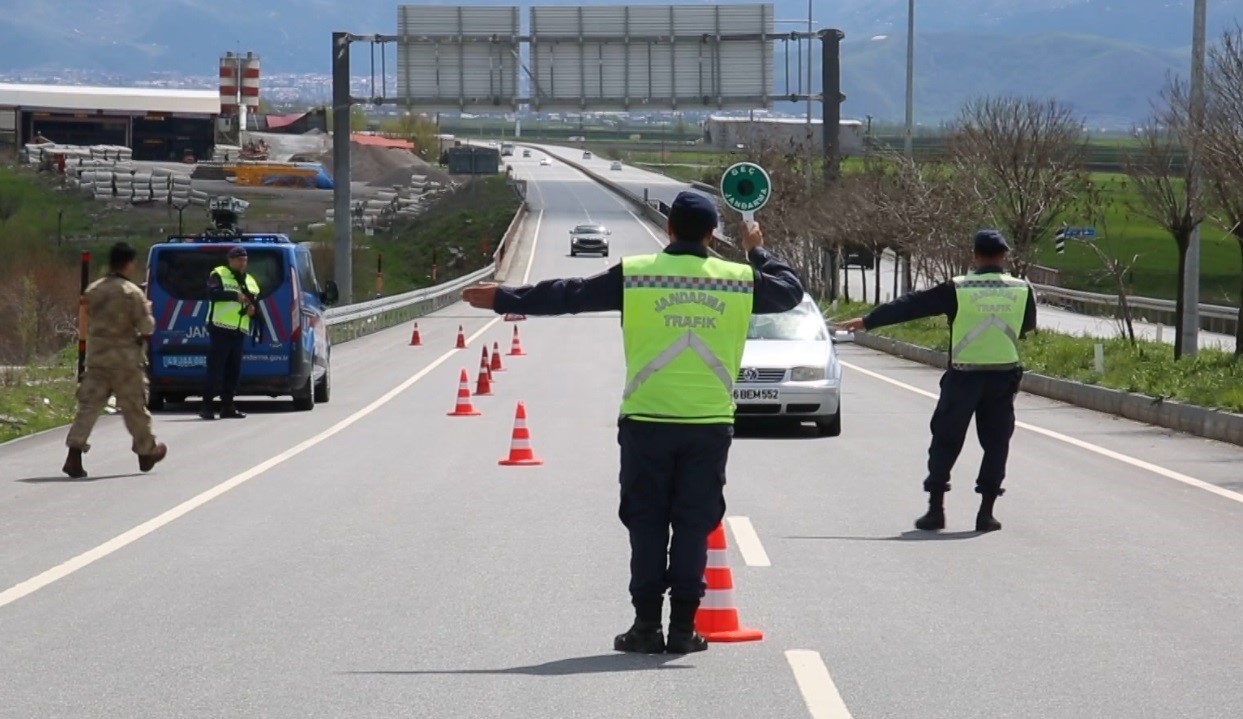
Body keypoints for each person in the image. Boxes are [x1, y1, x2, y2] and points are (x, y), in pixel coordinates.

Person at [462, 191, 804, 654]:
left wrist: (504, 298)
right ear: (709, 235)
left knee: (646, 525)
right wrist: (755, 248)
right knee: (692, 524)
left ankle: (645, 627)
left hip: (646, 422)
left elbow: (570, 294)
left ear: (668, 230)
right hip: (708, 423)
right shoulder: (739, 279)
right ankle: (683, 629)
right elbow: (789, 290)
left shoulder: (639, 274)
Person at [837, 229, 1037, 533]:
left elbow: (912, 305)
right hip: (1003, 376)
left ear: (975, 255)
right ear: (1004, 256)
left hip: (964, 377)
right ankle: (986, 513)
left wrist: (868, 321)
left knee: (945, 440)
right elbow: (1027, 325)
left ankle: (936, 510)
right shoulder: (1022, 289)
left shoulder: (958, 288)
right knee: (996, 444)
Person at [63, 242, 168, 478]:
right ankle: (146, 452)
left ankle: (74, 455)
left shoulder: (93, 290)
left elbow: (88, 318)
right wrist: (147, 312)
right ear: (128, 263)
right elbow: (146, 326)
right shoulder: (132, 293)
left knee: (89, 407)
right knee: (134, 408)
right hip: (126, 360)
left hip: (98, 356)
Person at [200, 246, 260, 420]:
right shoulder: (218, 274)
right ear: (230, 260)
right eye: (239, 259)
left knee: (234, 370)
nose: (242, 263)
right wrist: (235, 296)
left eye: (245, 260)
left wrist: (253, 311)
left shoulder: (250, 280)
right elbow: (213, 294)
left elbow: (255, 303)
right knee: (215, 368)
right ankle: (207, 406)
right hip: (220, 327)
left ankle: (228, 406)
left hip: (239, 329)